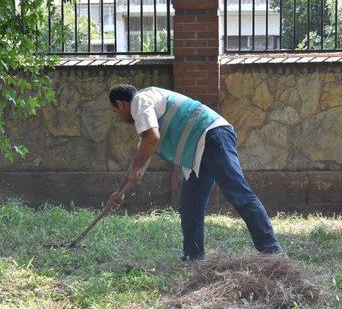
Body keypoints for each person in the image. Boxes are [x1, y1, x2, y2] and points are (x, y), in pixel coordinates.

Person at [106, 84, 285, 260]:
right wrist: (119, 193)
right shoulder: (148, 113)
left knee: (239, 194)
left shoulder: (140, 100)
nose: (119, 117)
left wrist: (136, 168)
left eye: (116, 112)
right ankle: (193, 257)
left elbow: (151, 139)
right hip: (197, 151)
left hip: (212, 136)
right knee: (190, 206)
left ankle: (273, 253)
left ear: (120, 104)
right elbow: (141, 158)